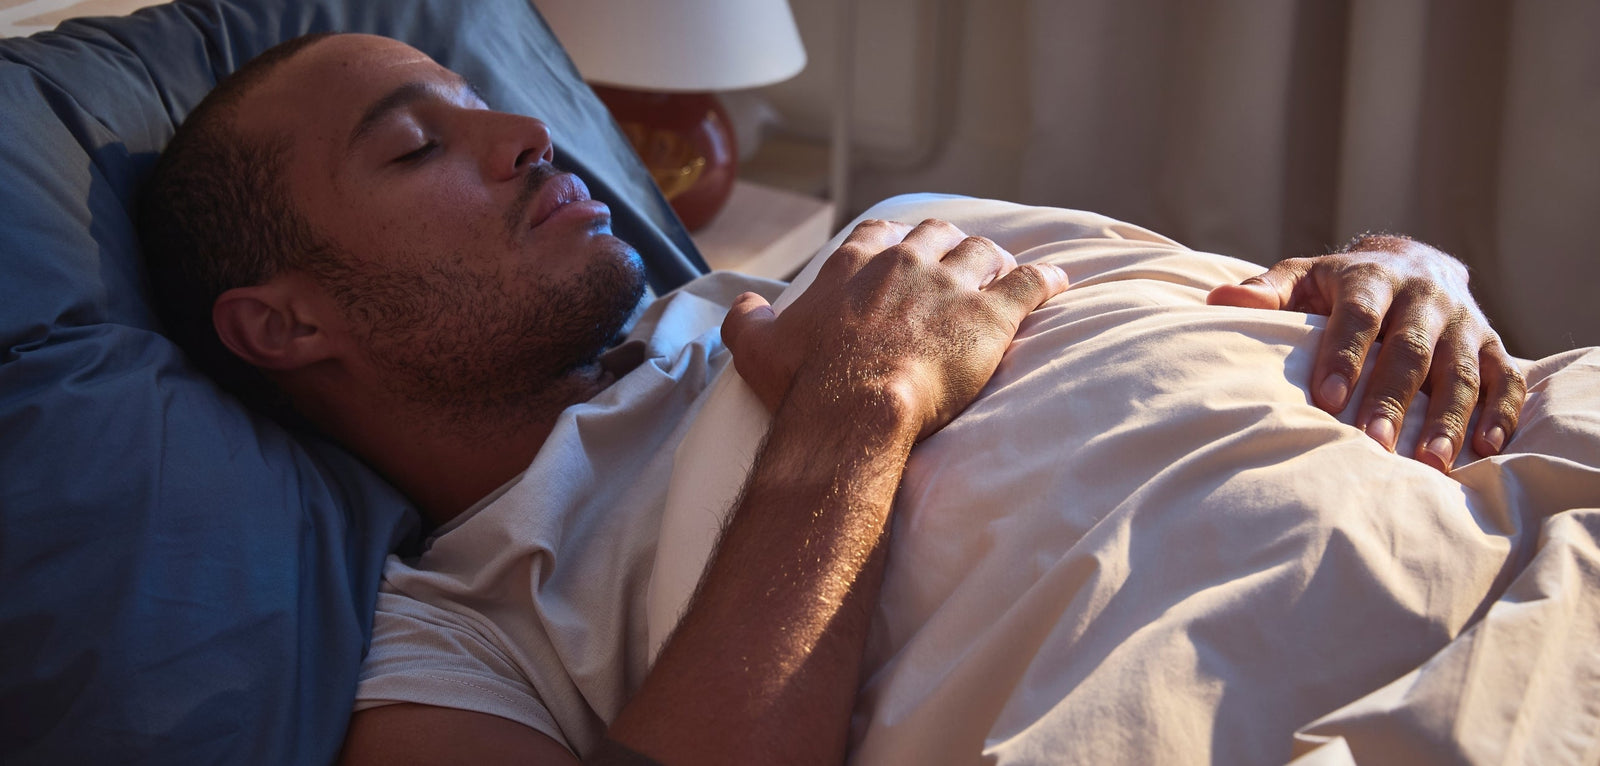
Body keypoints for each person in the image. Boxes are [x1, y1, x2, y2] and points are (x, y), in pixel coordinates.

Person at [137, 33, 1526, 765]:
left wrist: (1406, 274)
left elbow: (1297, 297)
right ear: (284, 321)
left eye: (479, 102)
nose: (525, 135)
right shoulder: (452, 646)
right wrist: (865, 399)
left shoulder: (875, 244)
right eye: (416, 147)